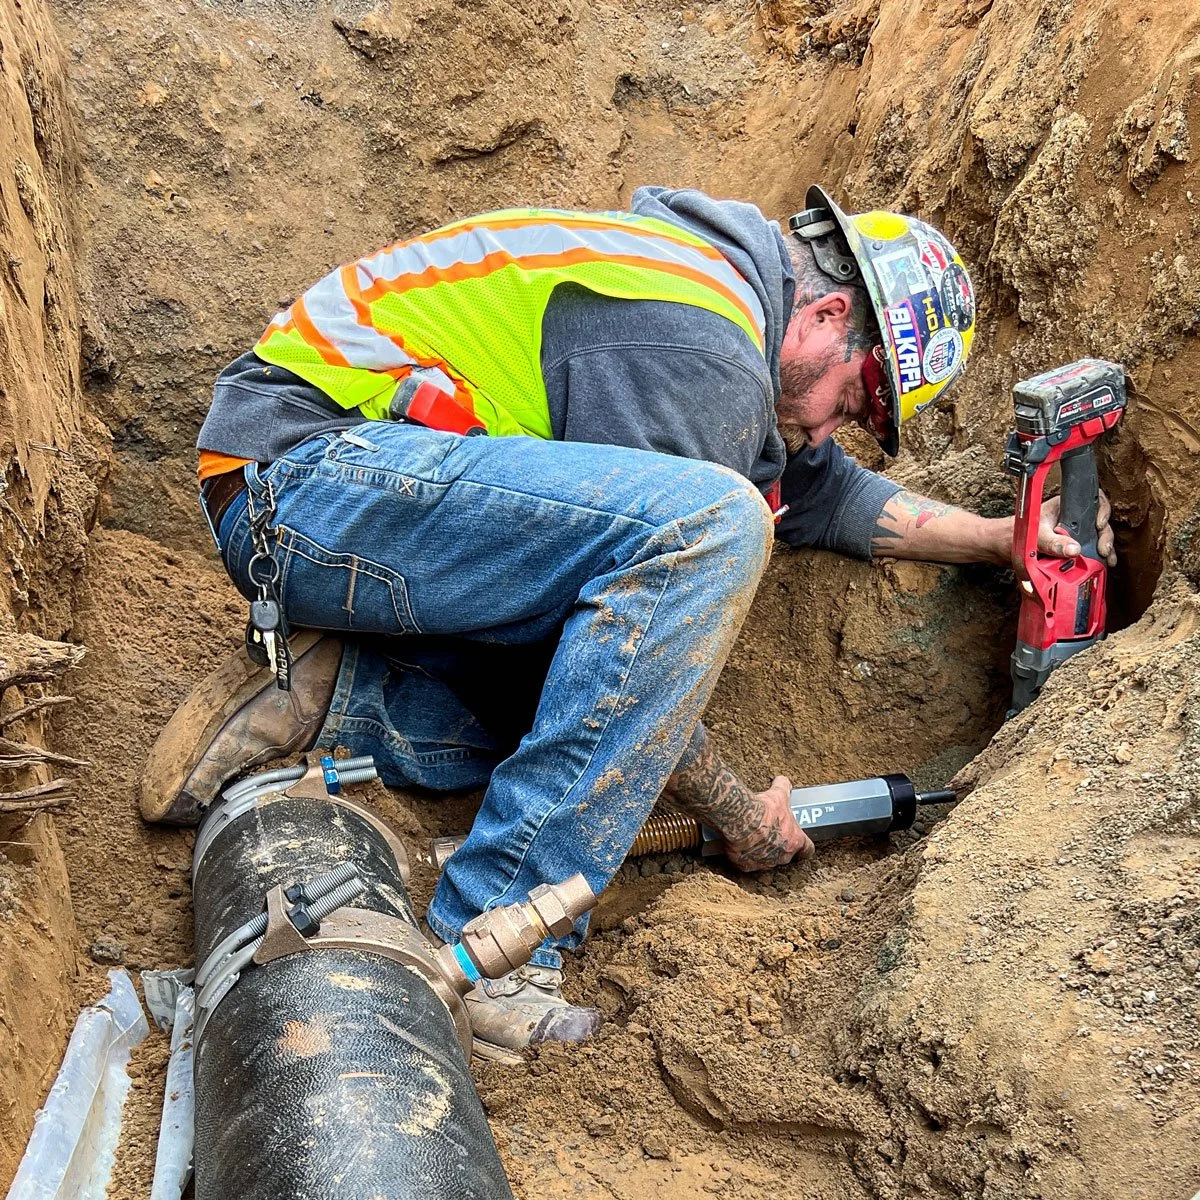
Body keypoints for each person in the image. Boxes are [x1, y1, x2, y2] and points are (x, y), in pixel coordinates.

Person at [142, 185, 1114, 1060]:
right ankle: (499, 937)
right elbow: (659, 629)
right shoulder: (696, 348)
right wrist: (737, 816)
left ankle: (341, 701)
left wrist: (999, 541)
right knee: (702, 543)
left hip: (327, 493)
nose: (833, 429)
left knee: (564, 713)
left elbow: (812, 494)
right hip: (309, 475)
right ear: (824, 317)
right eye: (858, 398)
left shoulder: (703, 298)